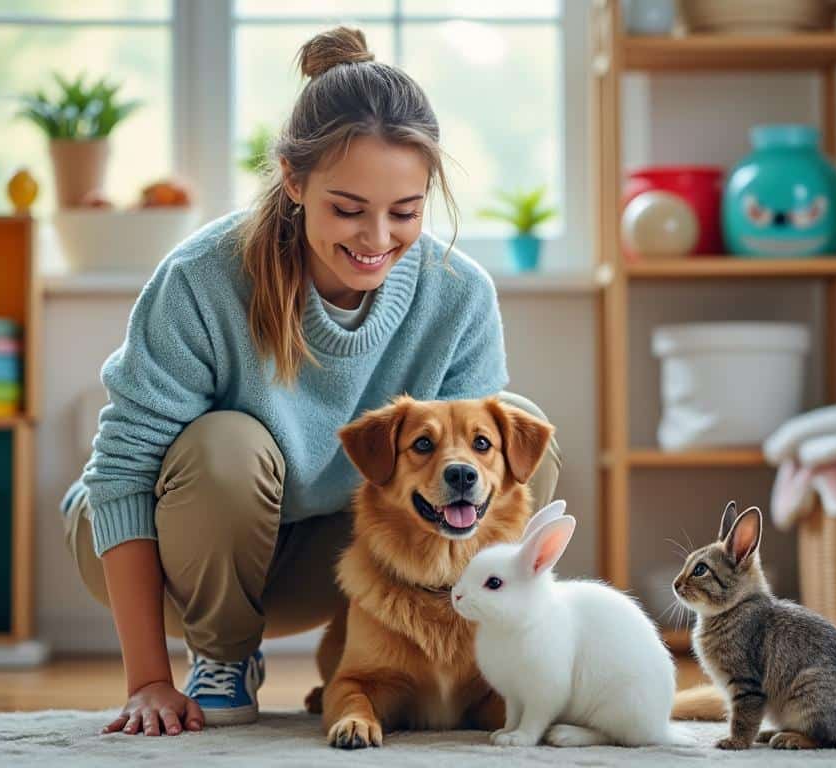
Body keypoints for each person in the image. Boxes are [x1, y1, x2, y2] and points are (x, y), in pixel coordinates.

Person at [59, 26, 561, 736]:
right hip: (171, 549)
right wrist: (147, 680)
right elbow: (121, 476)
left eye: (406, 212)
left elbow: (470, 474)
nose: (377, 239)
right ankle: (224, 658)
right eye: (348, 210)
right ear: (295, 182)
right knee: (227, 444)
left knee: (509, 438)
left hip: (315, 560)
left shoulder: (459, 293)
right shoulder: (201, 279)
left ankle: (478, 660)